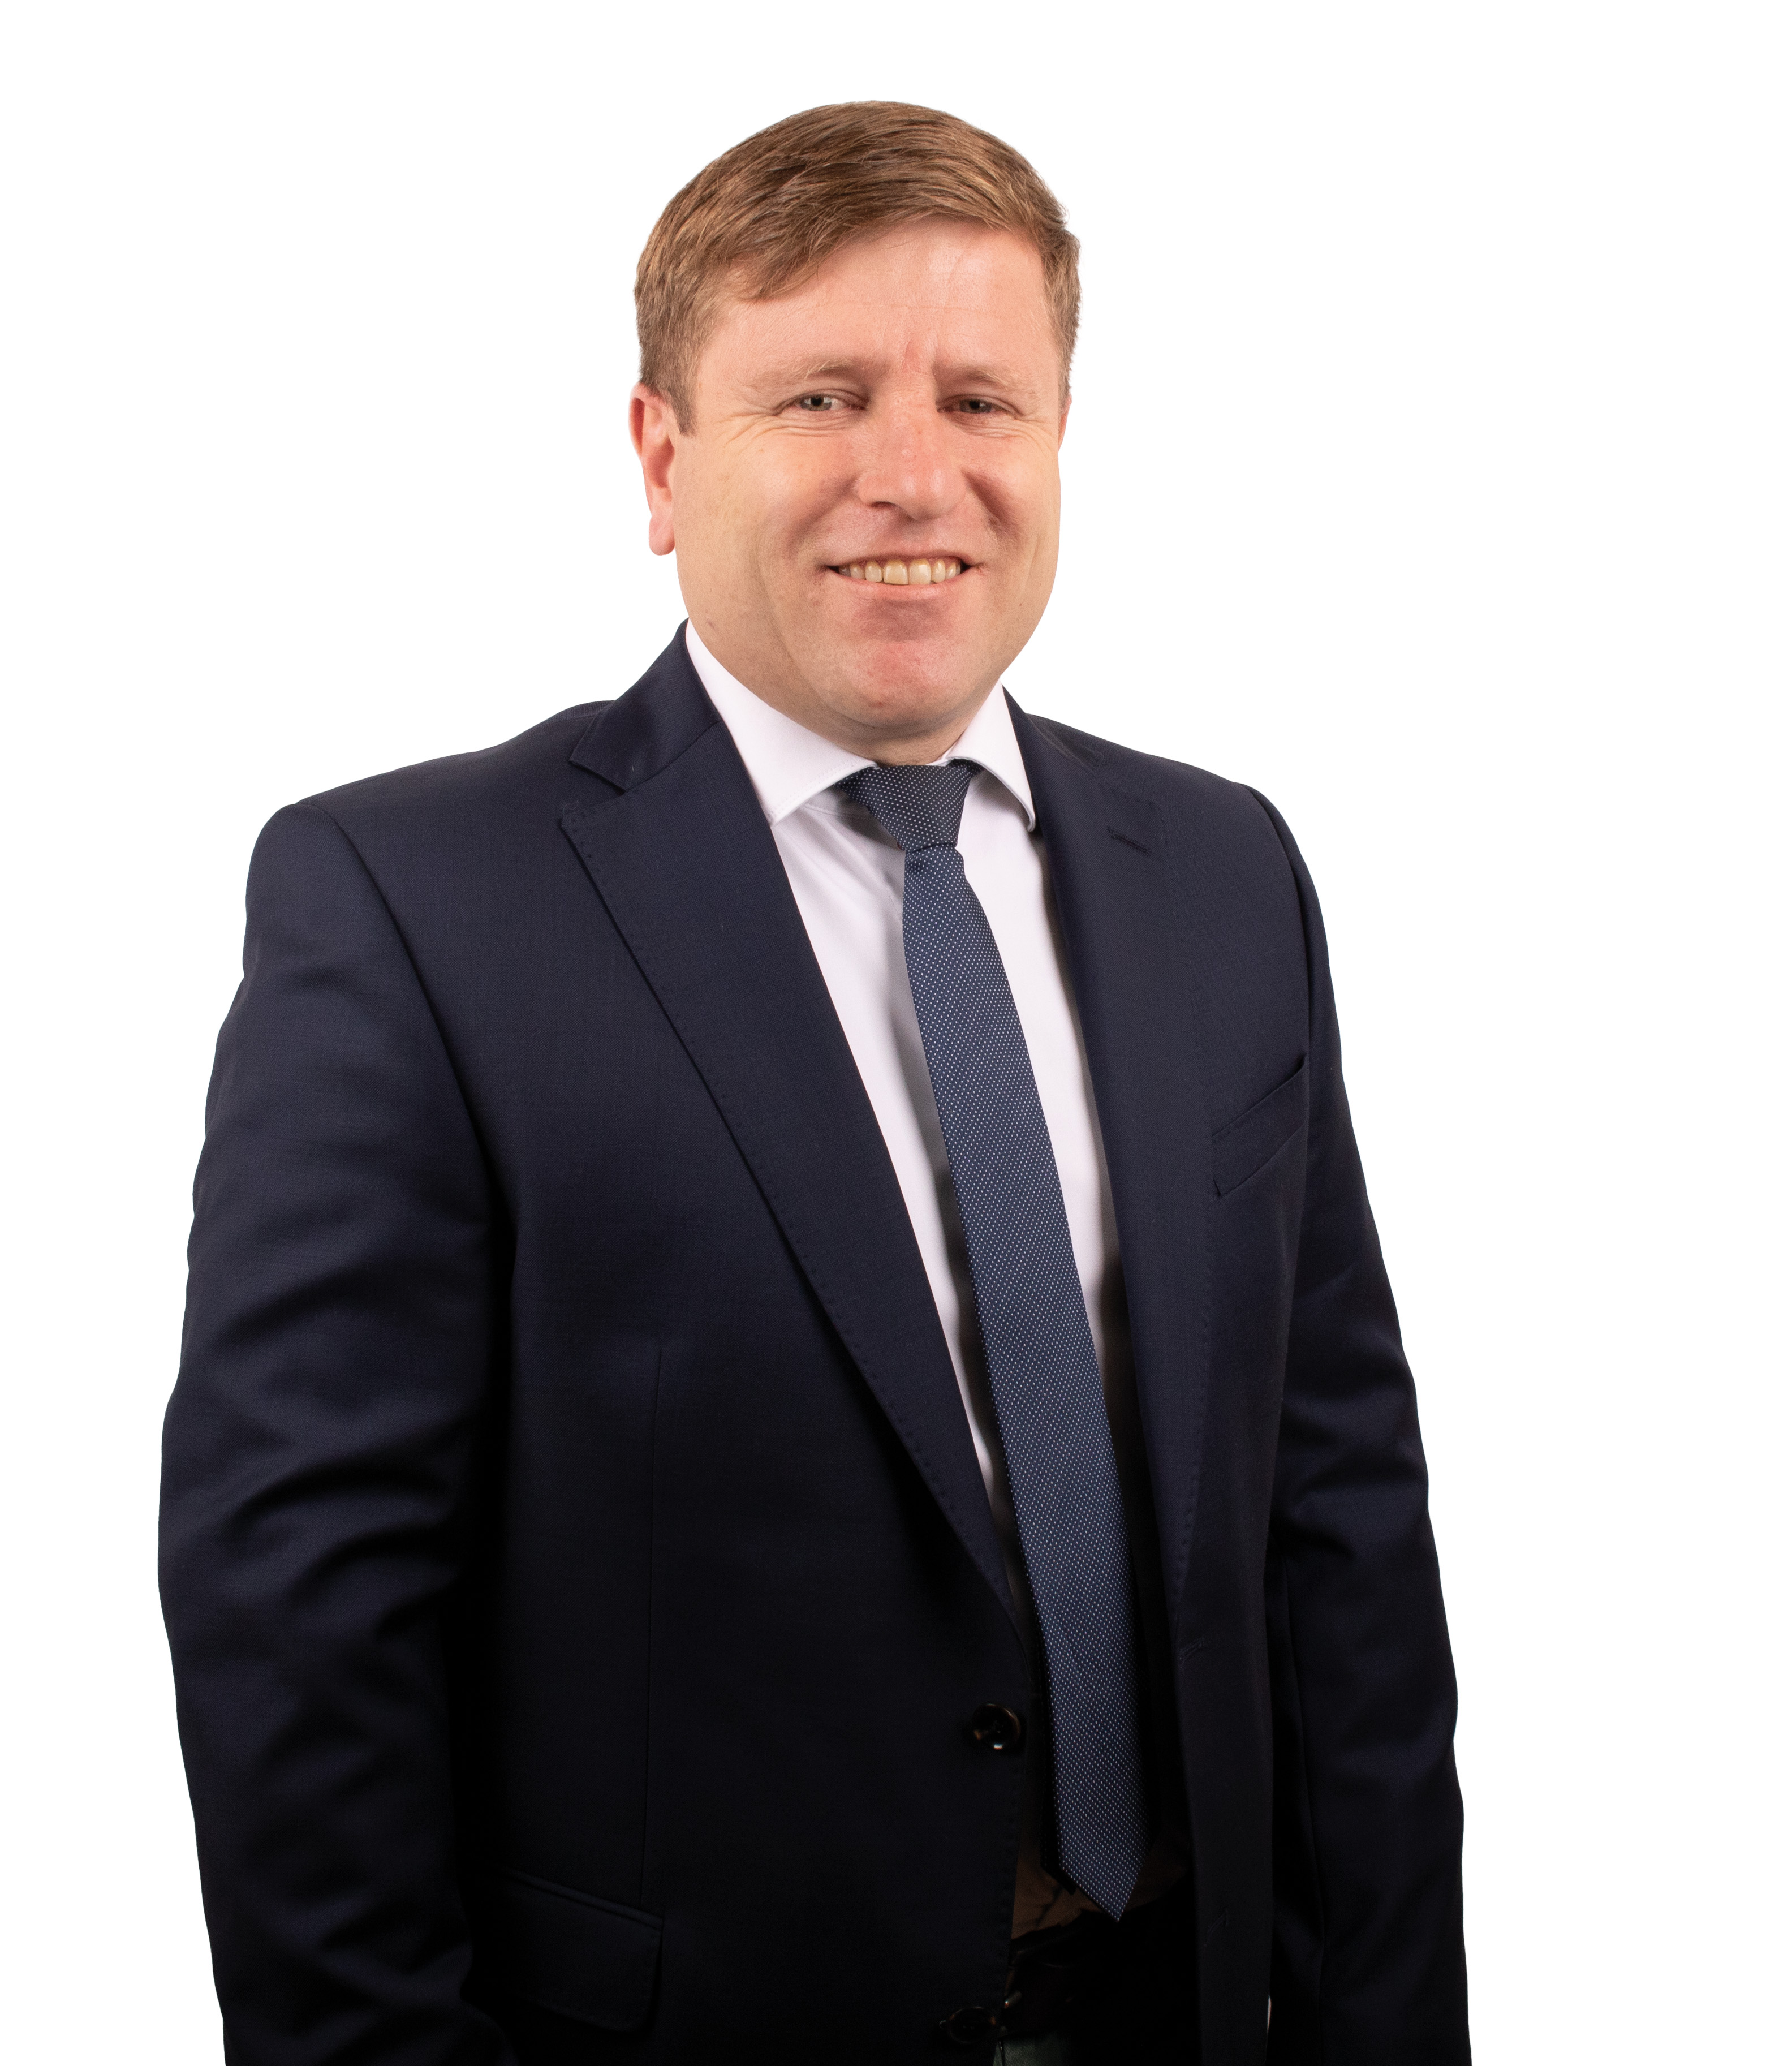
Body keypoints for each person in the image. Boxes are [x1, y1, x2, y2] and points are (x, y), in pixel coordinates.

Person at [161, 101, 1467, 2065]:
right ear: (662, 459)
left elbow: (1338, 1517)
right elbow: (303, 1613)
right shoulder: (415, 902)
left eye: (980, 399)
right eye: (823, 397)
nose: (911, 473)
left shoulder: (1221, 871)